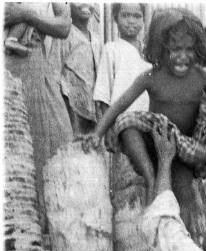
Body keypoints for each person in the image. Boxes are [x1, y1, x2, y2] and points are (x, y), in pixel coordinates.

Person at [84, 8, 206, 207]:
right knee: (127, 124)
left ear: (197, 49)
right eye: (175, 50)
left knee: (184, 195)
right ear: (161, 49)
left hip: (184, 148)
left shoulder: (202, 77)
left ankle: (185, 233)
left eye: (189, 50)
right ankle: (150, 176)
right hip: (155, 140)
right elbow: (119, 105)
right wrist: (97, 134)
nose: (182, 57)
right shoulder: (152, 77)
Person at [4, 3, 73, 229]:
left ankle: (40, 227)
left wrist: (27, 15)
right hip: (8, 61)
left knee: (55, 140)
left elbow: (63, 26)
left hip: (34, 59)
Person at [93, 3, 150, 119]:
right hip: (121, 121)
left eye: (137, 16)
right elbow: (103, 94)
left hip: (147, 119)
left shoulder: (149, 52)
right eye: (125, 15)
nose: (131, 21)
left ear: (143, 19)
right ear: (115, 18)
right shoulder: (111, 49)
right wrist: (109, 129)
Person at [60, 3, 102, 135]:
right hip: (72, 104)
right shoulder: (65, 36)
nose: (85, 4)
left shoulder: (97, 39)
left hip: (95, 105)